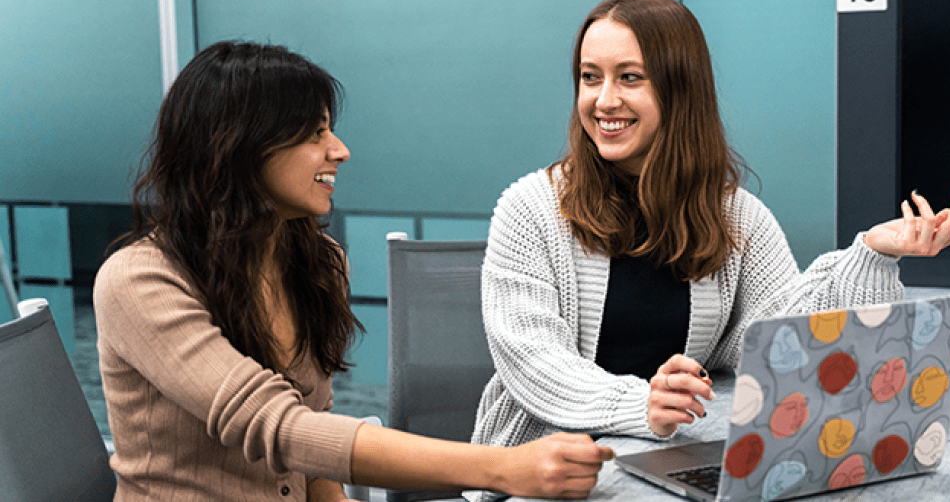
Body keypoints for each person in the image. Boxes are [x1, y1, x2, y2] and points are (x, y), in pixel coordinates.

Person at [468, 0, 950, 501]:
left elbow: (779, 335)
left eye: (629, 77)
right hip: (538, 475)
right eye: (589, 76)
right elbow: (534, 362)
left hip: (660, 462)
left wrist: (872, 251)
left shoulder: (733, 214)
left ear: (680, 89)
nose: (603, 100)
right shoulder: (530, 208)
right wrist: (642, 403)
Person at [93, 41, 614, 502]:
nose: (339, 151)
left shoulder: (315, 263)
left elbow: (312, 429)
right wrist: (500, 469)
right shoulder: (139, 281)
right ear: (239, 148)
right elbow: (279, 427)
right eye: (313, 133)